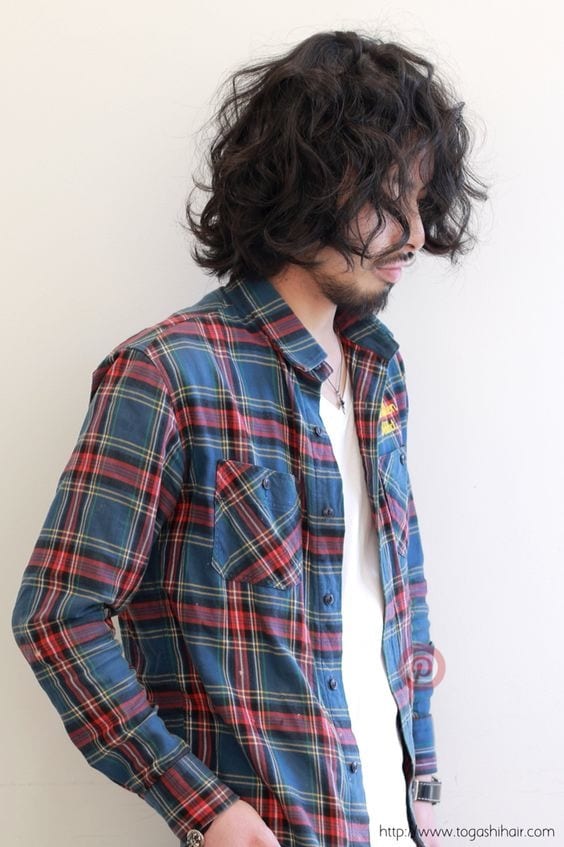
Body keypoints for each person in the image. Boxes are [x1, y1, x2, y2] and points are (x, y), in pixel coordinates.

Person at [11, 29, 487, 847]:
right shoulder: (167, 373)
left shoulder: (378, 368)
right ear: (304, 185)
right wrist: (205, 808)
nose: (413, 233)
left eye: (421, 198)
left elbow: (384, 590)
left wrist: (422, 772)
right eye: (386, 198)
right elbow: (58, 616)